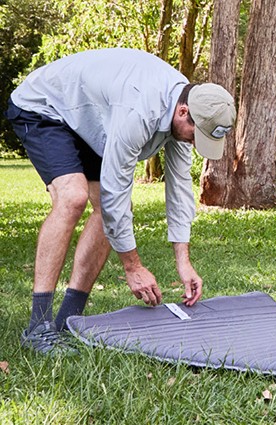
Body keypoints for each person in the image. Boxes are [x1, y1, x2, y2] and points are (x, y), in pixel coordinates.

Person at [4, 48, 236, 355]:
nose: (195, 142)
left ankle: (67, 322)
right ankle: (38, 326)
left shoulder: (186, 109)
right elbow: (116, 192)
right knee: (73, 196)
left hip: (89, 120)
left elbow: (180, 189)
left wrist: (184, 262)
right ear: (183, 112)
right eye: (197, 135)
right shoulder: (140, 110)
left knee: (106, 210)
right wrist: (133, 267)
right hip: (46, 106)